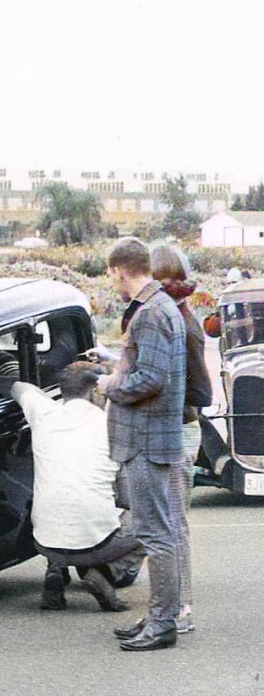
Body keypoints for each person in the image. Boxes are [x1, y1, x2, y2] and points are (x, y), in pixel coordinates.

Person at [97, 237, 187, 652]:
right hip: (152, 438)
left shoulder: (150, 313)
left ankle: (163, 622)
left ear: (119, 269)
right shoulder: (161, 307)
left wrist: (110, 384)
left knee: (155, 534)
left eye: (110, 274)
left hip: (145, 440)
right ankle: (158, 616)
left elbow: (151, 379)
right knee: (159, 530)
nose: (111, 281)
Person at [0, 362, 136, 612]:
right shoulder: (113, 425)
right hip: (97, 544)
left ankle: (55, 571)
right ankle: (103, 571)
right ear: (94, 392)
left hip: (45, 543)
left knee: (52, 492)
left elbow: (13, 386)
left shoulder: (42, 410)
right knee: (153, 520)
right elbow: (128, 498)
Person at [150, 242, 209, 634]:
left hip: (179, 428)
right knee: (170, 523)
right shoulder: (182, 314)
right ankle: (175, 602)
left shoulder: (178, 321)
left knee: (172, 524)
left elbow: (200, 393)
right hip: (182, 427)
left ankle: (180, 606)